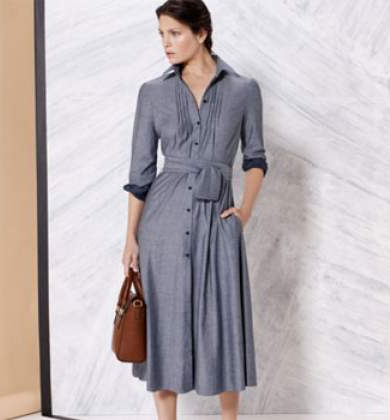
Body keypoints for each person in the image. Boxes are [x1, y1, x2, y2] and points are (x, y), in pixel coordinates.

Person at [120, 1, 267, 418]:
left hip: (218, 221)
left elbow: (255, 158)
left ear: (201, 33)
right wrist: (131, 237)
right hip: (162, 225)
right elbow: (140, 173)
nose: (166, 43)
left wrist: (245, 211)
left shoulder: (243, 90)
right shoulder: (152, 93)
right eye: (161, 35)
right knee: (163, 324)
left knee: (223, 320)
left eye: (175, 33)